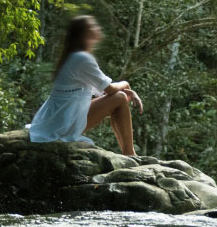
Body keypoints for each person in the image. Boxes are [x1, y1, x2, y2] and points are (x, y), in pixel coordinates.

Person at [27, 15, 143, 156]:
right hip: (63, 122)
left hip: (60, 118)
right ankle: (130, 153)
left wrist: (125, 91)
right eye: (92, 27)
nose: (97, 28)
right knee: (119, 97)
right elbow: (111, 90)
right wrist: (127, 84)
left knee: (120, 98)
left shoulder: (75, 56)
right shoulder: (81, 58)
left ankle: (129, 153)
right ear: (83, 34)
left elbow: (103, 92)